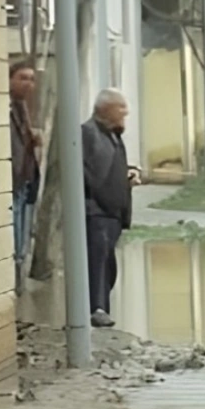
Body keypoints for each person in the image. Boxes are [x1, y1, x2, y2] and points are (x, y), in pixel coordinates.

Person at [83, 88, 141, 329]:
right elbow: (88, 173)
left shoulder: (113, 135)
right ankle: (96, 309)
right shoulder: (88, 133)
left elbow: (112, 166)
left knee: (109, 265)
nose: (125, 113)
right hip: (96, 211)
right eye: (121, 108)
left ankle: (102, 308)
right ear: (104, 109)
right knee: (97, 262)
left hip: (113, 213)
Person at [9, 60, 42, 295]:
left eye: (31, 79)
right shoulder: (8, 108)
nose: (28, 84)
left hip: (24, 180)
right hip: (13, 182)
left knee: (21, 243)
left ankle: (18, 288)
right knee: (14, 241)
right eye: (22, 77)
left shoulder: (22, 108)